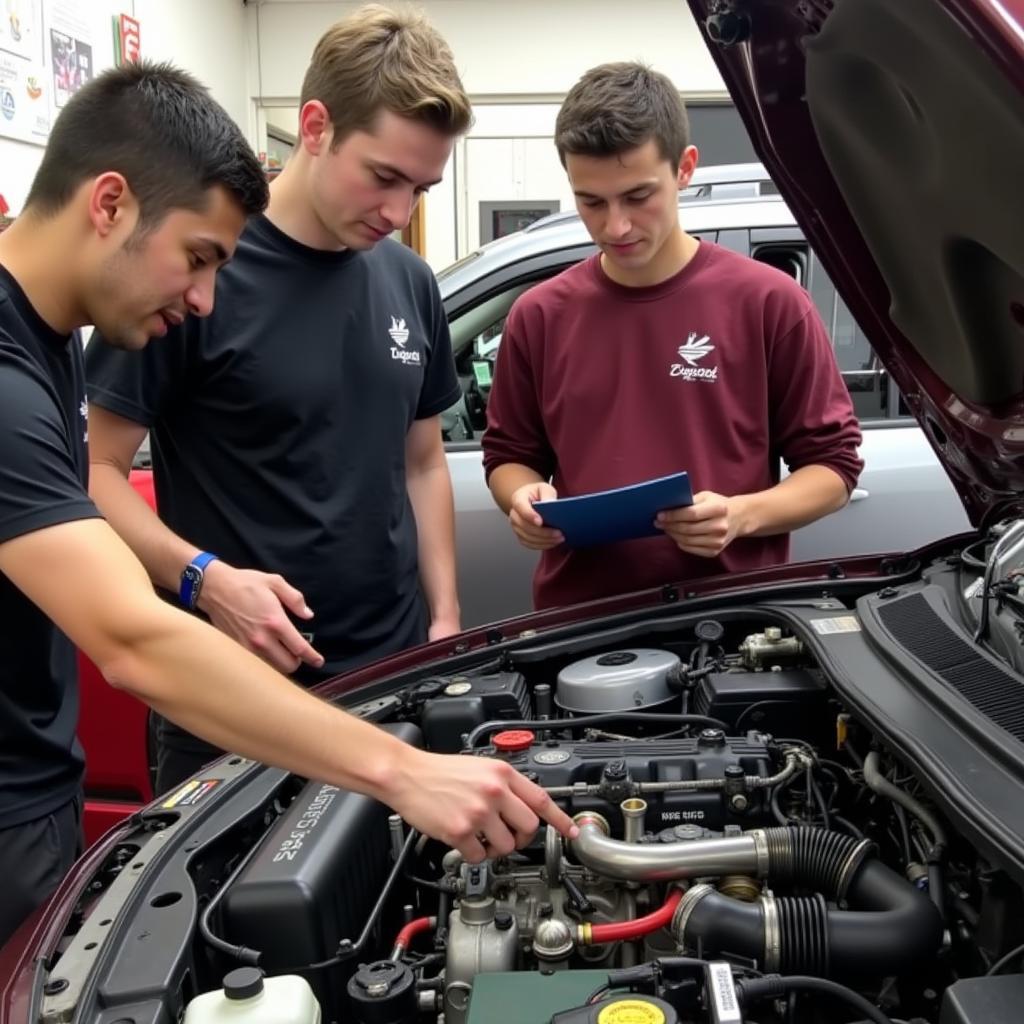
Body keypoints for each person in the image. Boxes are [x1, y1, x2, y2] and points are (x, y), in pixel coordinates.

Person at [0, 60, 575, 952]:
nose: (202, 300)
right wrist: (399, 770)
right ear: (109, 203)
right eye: (197, 260)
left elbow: (420, 459)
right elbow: (132, 637)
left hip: (41, 784)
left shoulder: (39, 344)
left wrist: (440, 630)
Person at [86, 6, 469, 793]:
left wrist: (445, 620)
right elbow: (92, 472)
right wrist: (204, 578)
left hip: (392, 682)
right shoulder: (196, 268)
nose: (399, 213)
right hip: (233, 699)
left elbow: (423, 461)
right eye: (384, 177)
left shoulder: (408, 280)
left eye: (422, 187)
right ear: (317, 125)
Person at [483, 62, 864, 609]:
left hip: (730, 620)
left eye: (639, 196)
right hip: (579, 623)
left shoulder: (769, 303)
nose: (615, 226)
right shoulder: (539, 314)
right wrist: (521, 498)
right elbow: (508, 456)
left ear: (685, 168)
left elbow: (834, 468)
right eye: (591, 201)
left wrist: (740, 515)